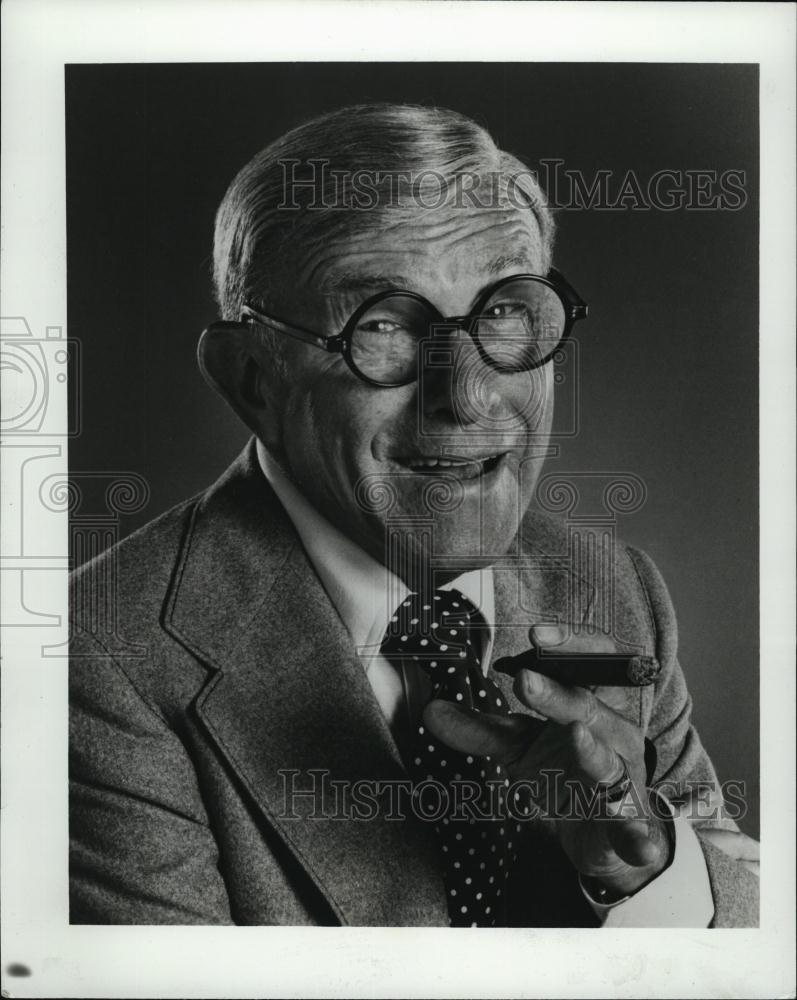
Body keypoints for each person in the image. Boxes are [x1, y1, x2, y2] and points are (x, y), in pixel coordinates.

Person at [69, 103, 759, 927]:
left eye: (502, 311)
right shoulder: (95, 658)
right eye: (385, 327)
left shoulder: (616, 590)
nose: (466, 397)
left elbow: (741, 927)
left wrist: (640, 876)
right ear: (254, 380)